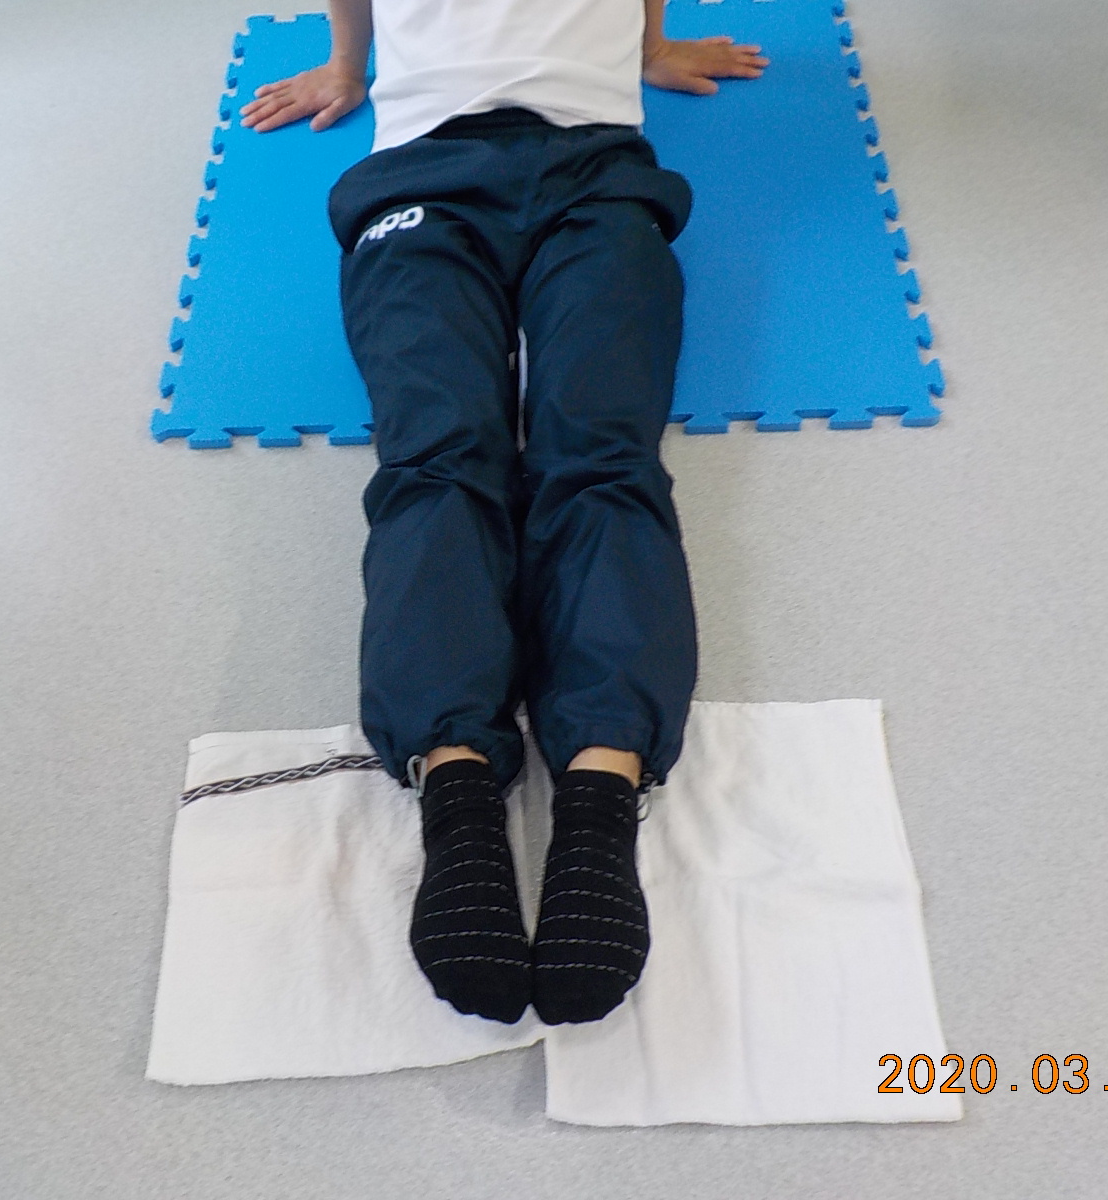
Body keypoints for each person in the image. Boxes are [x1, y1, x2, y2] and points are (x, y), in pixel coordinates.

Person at [241, 0, 767, 1026]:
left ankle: (599, 803)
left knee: (602, 457)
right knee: (438, 460)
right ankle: (459, 795)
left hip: (597, 174)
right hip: (420, 180)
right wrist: (347, 67)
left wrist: (651, 48)